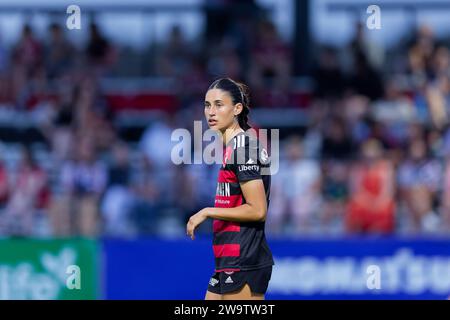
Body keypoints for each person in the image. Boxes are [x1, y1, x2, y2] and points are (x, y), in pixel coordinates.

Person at [186, 78, 274, 300]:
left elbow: (257, 209)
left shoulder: (245, 147)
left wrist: (207, 211)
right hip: (227, 257)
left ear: (237, 108)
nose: (211, 112)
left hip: (244, 258)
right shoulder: (231, 148)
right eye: (207, 105)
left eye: (219, 104)